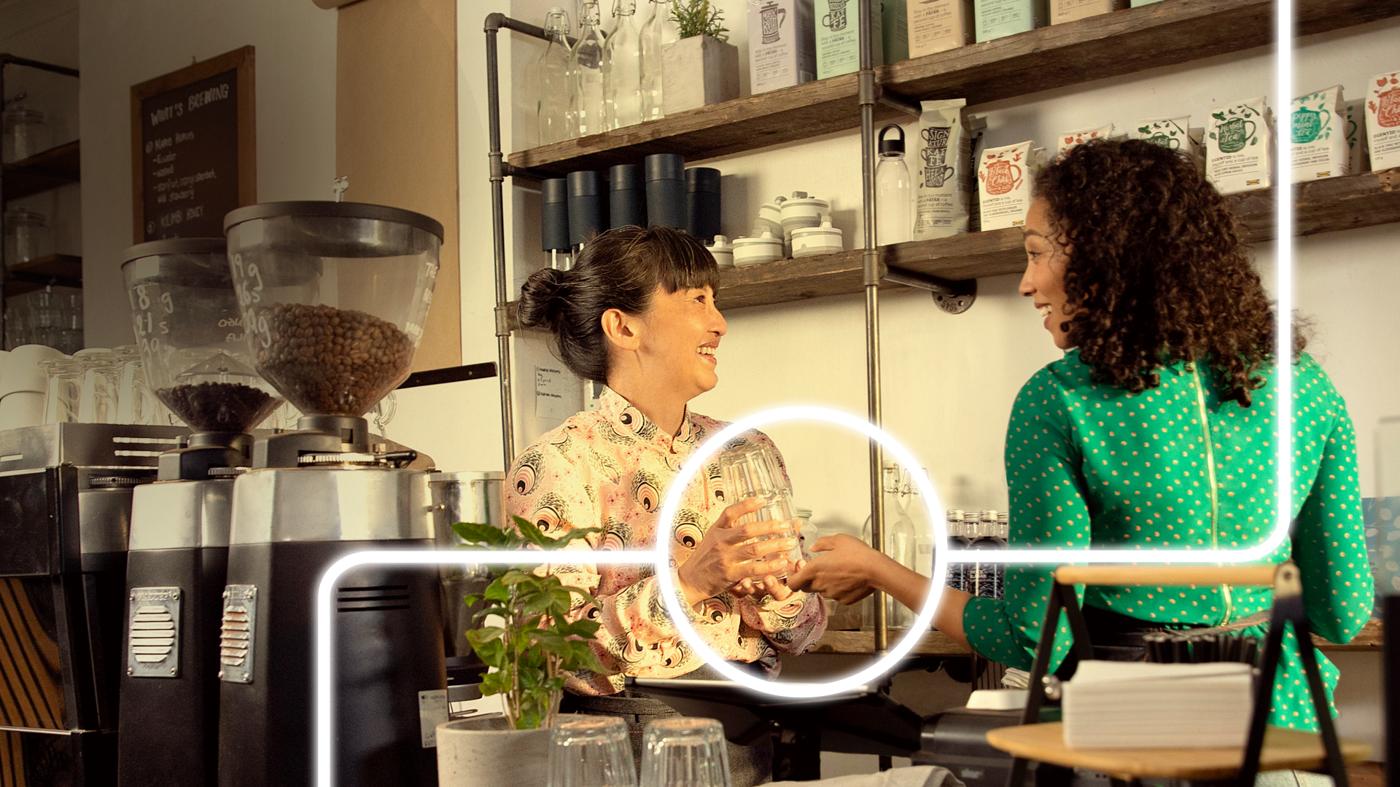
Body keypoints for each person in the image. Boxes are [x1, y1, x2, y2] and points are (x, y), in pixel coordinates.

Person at [789, 139, 1373, 733]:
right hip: (1287, 732)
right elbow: (1341, 611)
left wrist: (882, 570)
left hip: (1133, 731)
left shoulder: (1062, 399)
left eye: (1037, 253)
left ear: (1104, 257)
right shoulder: (1307, 389)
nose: (1026, 283)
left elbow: (1029, 634)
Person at [506, 225, 827, 784]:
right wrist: (692, 583)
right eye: (697, 300)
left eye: (716, 299)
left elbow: (805, 634)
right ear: (623, 325)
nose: (719, 322)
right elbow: (547, 655)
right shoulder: (559, 463)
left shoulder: (749, 448)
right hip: (628, 739)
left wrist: (780, 595)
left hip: (749, 726)